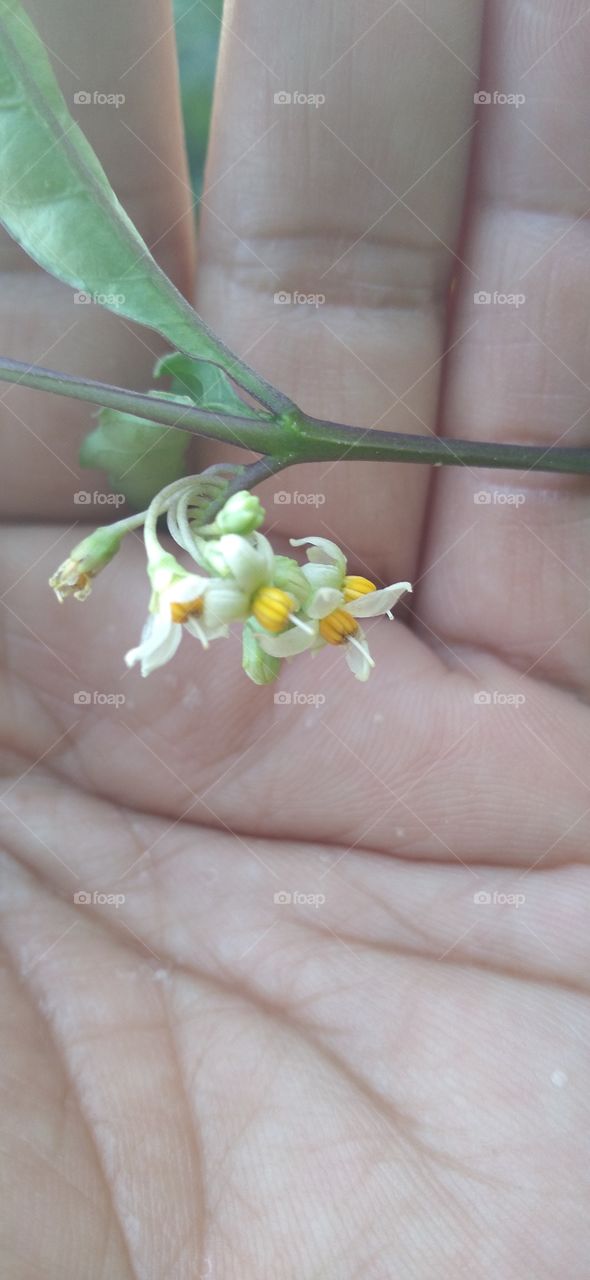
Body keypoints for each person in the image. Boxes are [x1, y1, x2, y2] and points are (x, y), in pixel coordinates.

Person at [1, 1, 588, 1275]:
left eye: (289, 610)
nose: (290, 622)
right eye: (287, 610)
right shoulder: (262, 588)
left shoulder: (267, 584)